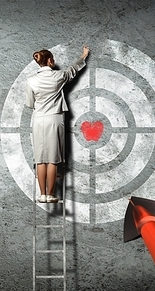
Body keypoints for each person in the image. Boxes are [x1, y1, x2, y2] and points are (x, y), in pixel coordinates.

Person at [26, 45, 90, 203]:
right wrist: (83, 56)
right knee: (53, 158)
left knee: (40, 158)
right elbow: (73, 70)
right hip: (54, 119)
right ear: (49, 61)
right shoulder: (58, 76)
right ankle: (50, 194)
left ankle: (42, 194)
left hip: (38, 119)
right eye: (52, 58)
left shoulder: (31, 80)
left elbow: (29, 104)